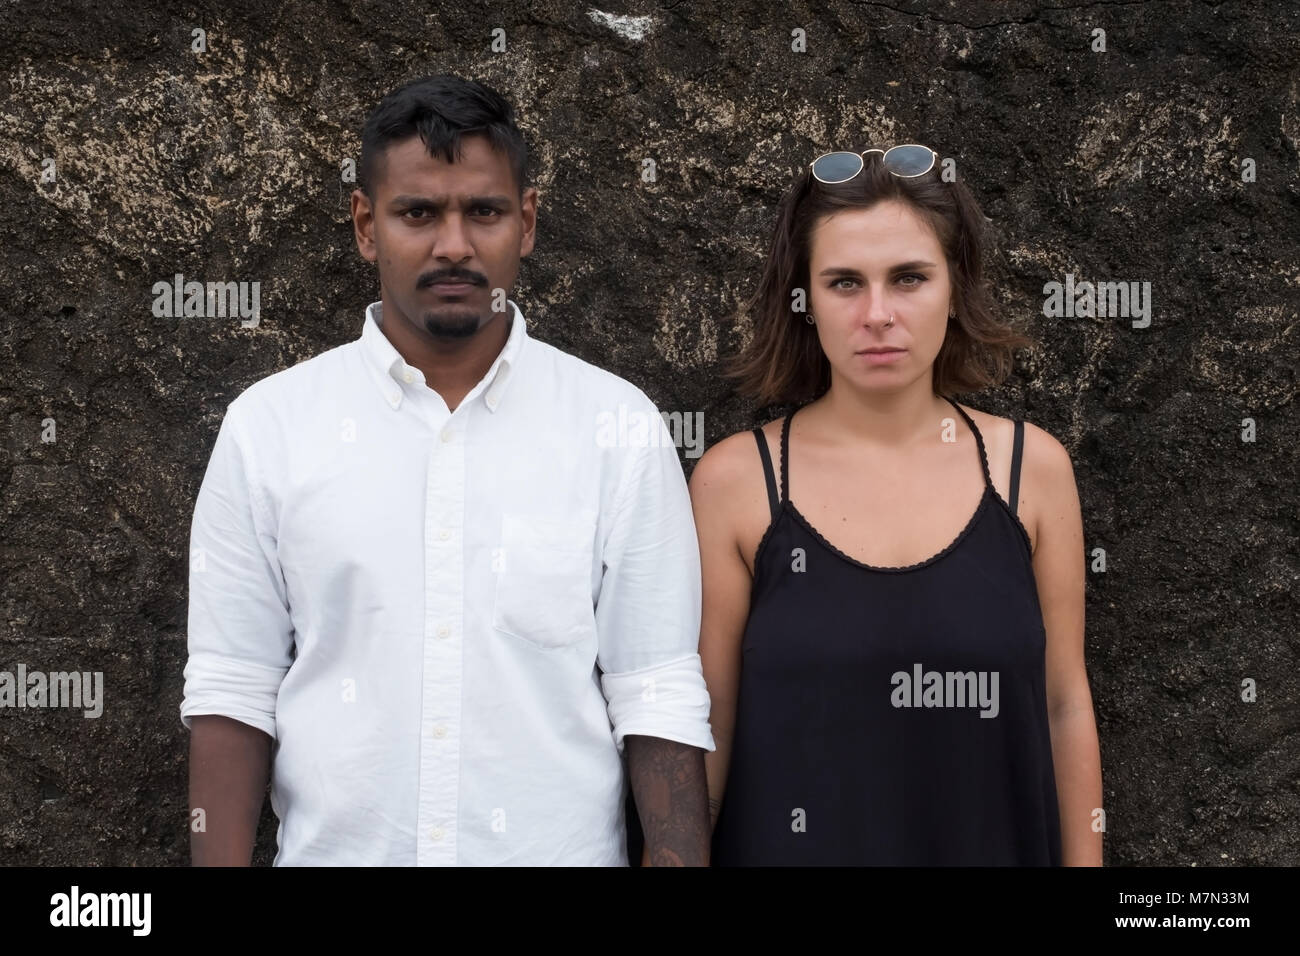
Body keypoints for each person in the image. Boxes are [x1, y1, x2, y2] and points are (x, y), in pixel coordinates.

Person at [181, 74, 714, 866]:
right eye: (418, 213)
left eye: (485, 212)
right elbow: (232, 692)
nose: (454, 244)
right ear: (367, 225)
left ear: (526, 222)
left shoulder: (617, 426)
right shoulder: (272, 427)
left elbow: (656, 692)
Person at [691, 145, 1102, 865]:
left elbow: (1065, 705)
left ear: (955, 287)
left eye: (909, 278)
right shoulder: (737, 482)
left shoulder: (1028, 471)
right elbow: (706, 727)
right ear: (805, 300)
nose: (877, 314)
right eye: (844, 282)